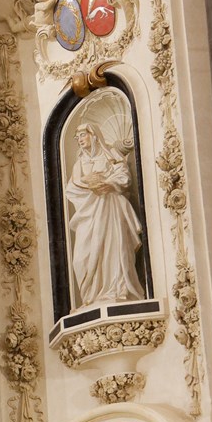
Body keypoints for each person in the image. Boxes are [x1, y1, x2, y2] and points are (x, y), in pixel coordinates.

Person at [65, 122, 144, 306]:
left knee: (114, 248)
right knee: (80, 258)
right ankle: (90, 295)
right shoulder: (79, 163)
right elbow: (71, 189)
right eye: (77, 137)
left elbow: (124, 176)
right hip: (88, 212)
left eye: (83, 135)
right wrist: (89, 185)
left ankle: (118, 289)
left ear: (93, 135)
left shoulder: (111, 154)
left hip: (111, 208)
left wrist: (109, 184)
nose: (80, 140)